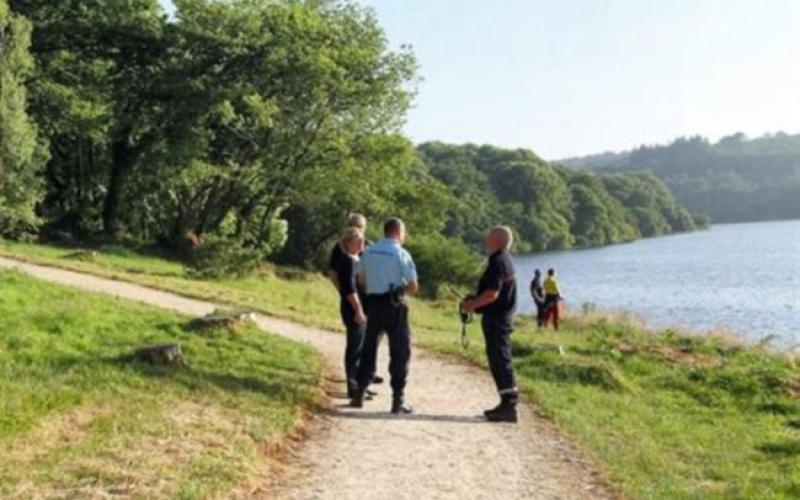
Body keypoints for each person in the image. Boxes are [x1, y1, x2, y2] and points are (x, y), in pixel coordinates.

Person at [350, 217, 419, 414]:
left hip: (374, 304)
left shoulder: (369, 250)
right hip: (395, 305)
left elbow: (360, 279)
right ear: (398, 232)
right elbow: (413, 286)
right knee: (400, 352)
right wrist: (401, 290)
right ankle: (398, 400)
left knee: (369, 348)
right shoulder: (401, 253)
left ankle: (359, 393)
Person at [461, 226, 519, 423]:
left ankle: (509, 404)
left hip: (497, 318)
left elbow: (493, 293)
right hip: (500, 317)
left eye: (489, 237)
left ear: (497, 240)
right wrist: (475, 299)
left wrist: (472, 305)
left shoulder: (497, 261)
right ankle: (506, 402)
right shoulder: (505, 259)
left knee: (499, 359)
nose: (485, 240)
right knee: (499, 358)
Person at [328, 213, 384, 386]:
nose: (358, 229)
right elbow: (334, 275)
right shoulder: (341, 249)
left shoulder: (367, 246)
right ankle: (355, 380)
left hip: (368, 298)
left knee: (373, 335)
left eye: (361, 226)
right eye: (355, 225)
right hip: (354, 298)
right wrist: (346, 294)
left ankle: (367, 371)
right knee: (356, 340)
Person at [336, 228, 368, 398]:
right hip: (353, 308)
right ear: (348, 242)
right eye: (358, 240)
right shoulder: (348, 261)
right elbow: (349, 289)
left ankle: (359, 384)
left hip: (359, 308)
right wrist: (358, 309)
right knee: (354, 347)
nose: (362, 242)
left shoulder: (357, 259)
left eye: (362, 239)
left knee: (360, 347)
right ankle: (353, 386)